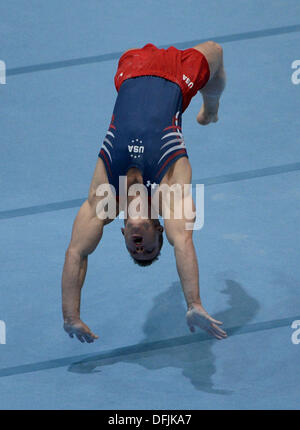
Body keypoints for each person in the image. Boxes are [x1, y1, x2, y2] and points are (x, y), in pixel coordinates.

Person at [62, 41, 227, 343]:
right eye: (148, 249)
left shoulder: (106, 196)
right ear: (159, 231)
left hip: (131, 69)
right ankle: (211, 108)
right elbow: (184, 242)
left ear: (123, 231)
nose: (139, 247)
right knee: (215, 52)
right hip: (178, 78)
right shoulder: (169, 192)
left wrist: (71, 316)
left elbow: (77, 252)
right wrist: (194, 303)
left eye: (133, 249)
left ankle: (210, 110)